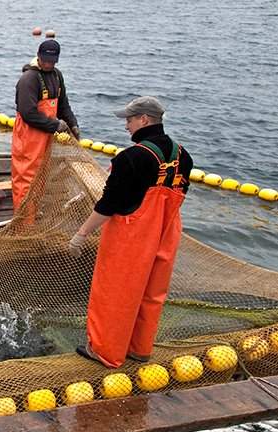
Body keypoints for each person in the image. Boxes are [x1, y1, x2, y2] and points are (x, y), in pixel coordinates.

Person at [68, 96, 193, 368]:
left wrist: (81, 234)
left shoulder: (131, 158)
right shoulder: (184, 157)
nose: (126, 126)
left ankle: (105, 351)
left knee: (116, 293)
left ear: (144, 120)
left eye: (129, 120)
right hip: (167, 231)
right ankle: (140, 349)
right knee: (152, 292)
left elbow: (109, 204)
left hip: (132, 236)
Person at [11, 40, 79, 211]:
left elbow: (63, 105)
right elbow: (28, 113)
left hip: (46, 138)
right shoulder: (29, 79)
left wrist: (73, 124)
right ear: (39, 57)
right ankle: (23, 223)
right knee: (26, 179)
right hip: (28, 139)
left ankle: (34, 213)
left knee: (41, 176)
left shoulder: (57, 76)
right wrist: (55, 125)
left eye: (52, 61)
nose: (48, 64)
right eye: (45, 60)